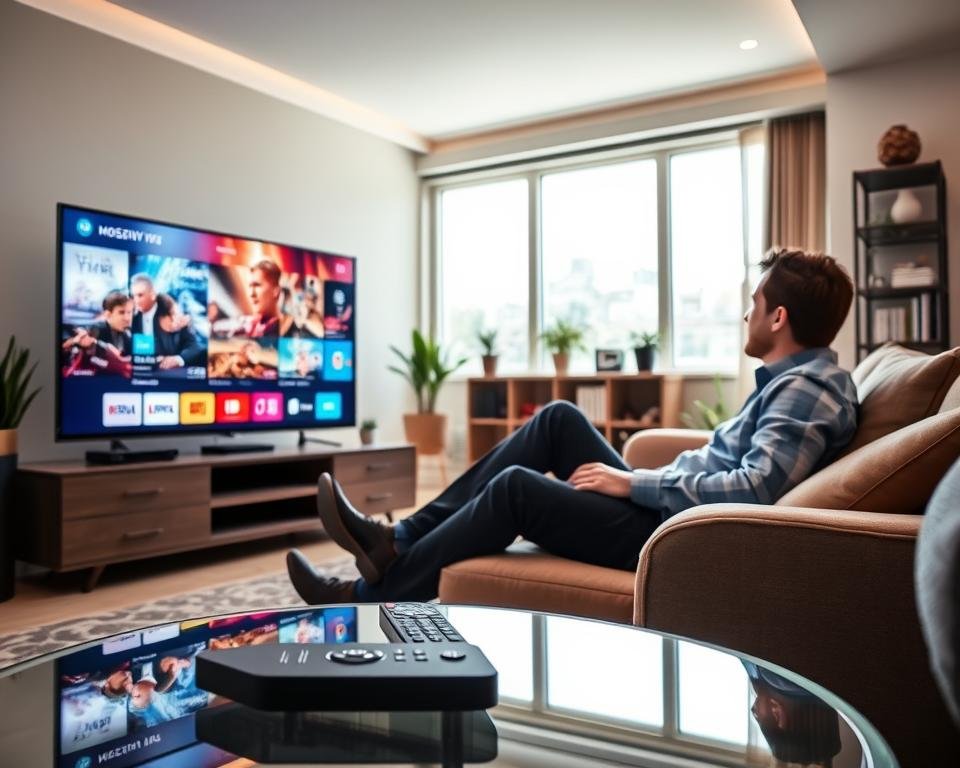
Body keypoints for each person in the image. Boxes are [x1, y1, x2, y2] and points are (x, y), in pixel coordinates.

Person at [286, 248, 859, 604]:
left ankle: (364, 594)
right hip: (664, 507)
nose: (746, 313)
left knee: (516, 488)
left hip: (670, 533)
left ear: (778, 317)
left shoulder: (806, 389)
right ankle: (399, 537)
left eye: (755, 303)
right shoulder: (795, 380)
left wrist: (633, 484)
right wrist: (638, 480)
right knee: (558, 418)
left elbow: (757, 490)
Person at [154, 292, 205, 370]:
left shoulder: (182, 322)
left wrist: (178, 359)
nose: (176, 321)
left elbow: (195, 347)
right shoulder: (144, 326)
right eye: (172, 315)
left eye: (175, 313)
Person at [243, 260, 282, 337]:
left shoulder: (286, 330)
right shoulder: (252, 326)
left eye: (257, 285)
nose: (251, 294)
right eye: (250, 286)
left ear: (276, 291)